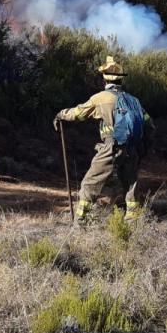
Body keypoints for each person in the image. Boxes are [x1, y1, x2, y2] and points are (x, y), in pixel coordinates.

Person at [54, 56, 154, 223]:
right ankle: (133, 222)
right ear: (121, 79)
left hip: (111, 147)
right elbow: (150, 126)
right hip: (132, 149)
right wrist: (143, 150)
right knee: (130, 185)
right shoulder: (134, 101)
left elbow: (78, 114)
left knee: (89, 183)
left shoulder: (101, 98)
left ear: (104, 78)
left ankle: (81, 222)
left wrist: (60, 114)